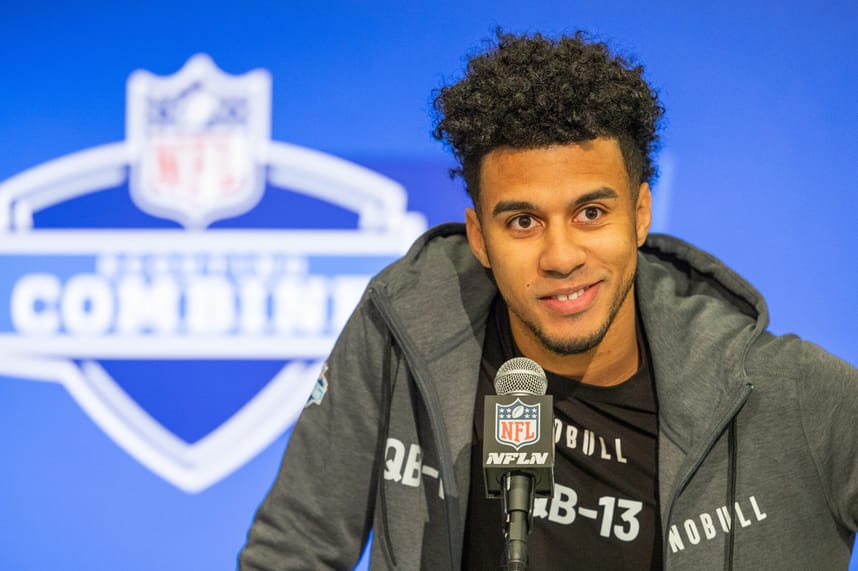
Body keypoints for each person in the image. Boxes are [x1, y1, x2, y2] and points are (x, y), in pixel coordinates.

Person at [239, 31, 858, 570]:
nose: (561, 256)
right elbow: (295, 547)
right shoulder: (404, 328)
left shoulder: (794, 396)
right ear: (479, 236)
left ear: (640, 215)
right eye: (523, 223)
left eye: (591, 213)